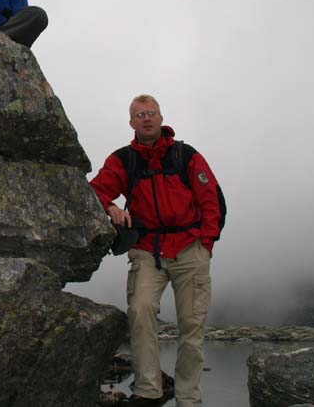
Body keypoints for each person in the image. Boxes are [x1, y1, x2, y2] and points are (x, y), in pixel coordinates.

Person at [89, 94, 222, 407]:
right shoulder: (124, 160)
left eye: (151, 113)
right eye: (139, 115)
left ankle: (188, 397)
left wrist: (206, 244)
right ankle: (148, 391)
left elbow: (210, 199)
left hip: (190, 248)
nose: (146, 119)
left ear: (161, 118)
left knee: (191, 324)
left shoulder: (185, 155)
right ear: (131, 122)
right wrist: (109, 206)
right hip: (147, 249)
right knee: (140, 311)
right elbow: (95, 190)